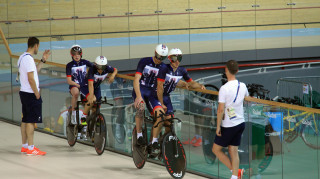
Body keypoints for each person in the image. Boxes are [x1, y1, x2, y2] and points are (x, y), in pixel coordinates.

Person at [153, 48, 205, 151]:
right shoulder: (164, 68)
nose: (177, 61)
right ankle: (153, 142)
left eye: (179, 58)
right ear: (169, 59)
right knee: (160, 119)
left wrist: (200, 86)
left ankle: (164, 142)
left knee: (170, 122)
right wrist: (161, 103)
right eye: (174, 59)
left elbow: (191, 82)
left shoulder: (182, 71)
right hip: (156, 95)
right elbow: (159, 87)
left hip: (166, 96)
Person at [212, 60, 248, 179]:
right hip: (240, 122)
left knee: (216, 149)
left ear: (226, 70)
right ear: (237, 71)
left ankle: (235, 171)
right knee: (233, 150)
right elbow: (247, 99)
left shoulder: (224, 88)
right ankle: (235, 176)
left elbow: (220, 110)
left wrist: (218, 127)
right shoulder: (242, 85)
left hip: (228, 125)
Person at [18, 37, 51, 156]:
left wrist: (42, 60)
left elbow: (34, 72)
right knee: (31, 121)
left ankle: (25, 146)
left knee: (25, 119)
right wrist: (36, 92)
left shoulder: (22, 57)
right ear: (36, 45)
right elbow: (31, 78)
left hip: (24, 92)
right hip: (31, 94)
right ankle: (31, 148)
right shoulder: (29, 59)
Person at [132, 44, 168, 150]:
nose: (159, 60)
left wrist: (161, 103)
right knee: (140, 108)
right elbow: (136, 80)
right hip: (141, 90)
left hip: (152, 93)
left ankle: (154, 141)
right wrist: (138, 96)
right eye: (158, 57)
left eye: (162, 58)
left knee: (161, 116)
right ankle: (139, 135)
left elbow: (163, 85)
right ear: (155, 53)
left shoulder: (163, 67)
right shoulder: (144, 61)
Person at [80, 56, 117, 138]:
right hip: (86, 86)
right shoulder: (92, 69)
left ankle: (92, 127)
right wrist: (91, 96)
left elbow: (115, 69)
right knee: (92, 100)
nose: (101, 69)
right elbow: (90, 85)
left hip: (96, 87)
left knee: (96, 107)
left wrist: (112, 76)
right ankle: (83, 117)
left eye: (103, 67)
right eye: (99, 67)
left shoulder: (107, 68)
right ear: (95, 65)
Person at [66, 45, 93, 124]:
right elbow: (69, 81)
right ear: (72, 55)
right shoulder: (69, 65)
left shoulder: (85, 62)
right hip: (74, 84)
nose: (76, 56)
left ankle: (85, 120)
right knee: (76, 93)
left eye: (78, 54)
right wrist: (78, 85)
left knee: (90, 99)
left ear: (81, 54)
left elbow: (94, 67)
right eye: (74, 55)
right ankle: (73, 113)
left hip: (84, 84)